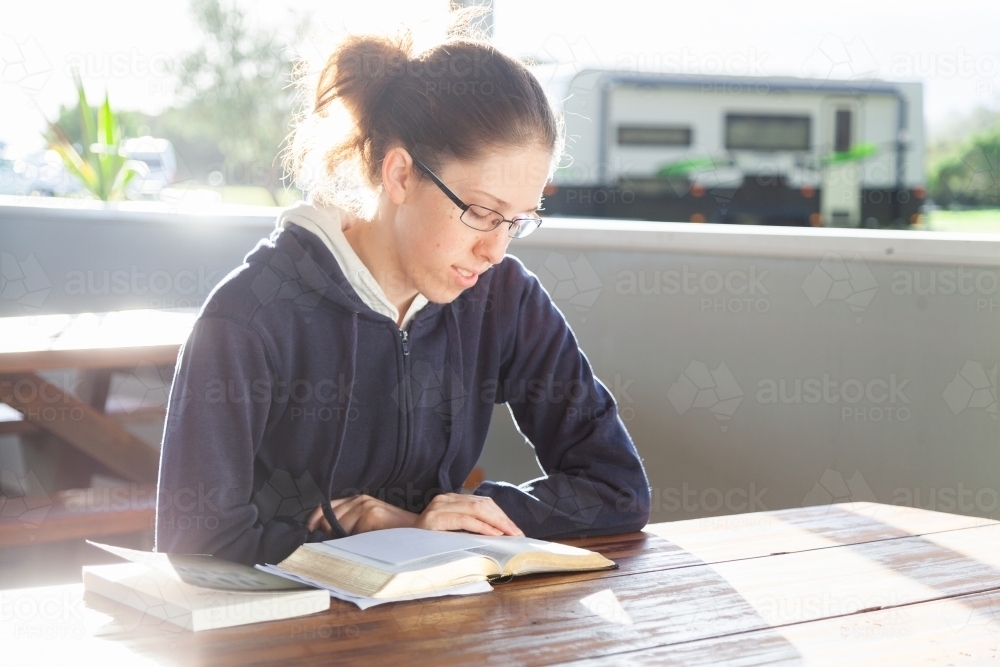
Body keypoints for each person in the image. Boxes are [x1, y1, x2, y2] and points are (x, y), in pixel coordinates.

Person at [154, 24, 651, 567]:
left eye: (517, 222)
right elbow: (193, 548)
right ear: (399, 175)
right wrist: (370, 536)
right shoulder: (249, 319)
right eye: (481, 213)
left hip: (442, 626)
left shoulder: (503, 300)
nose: (495, 251)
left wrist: (454, 516)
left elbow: (617, 489)